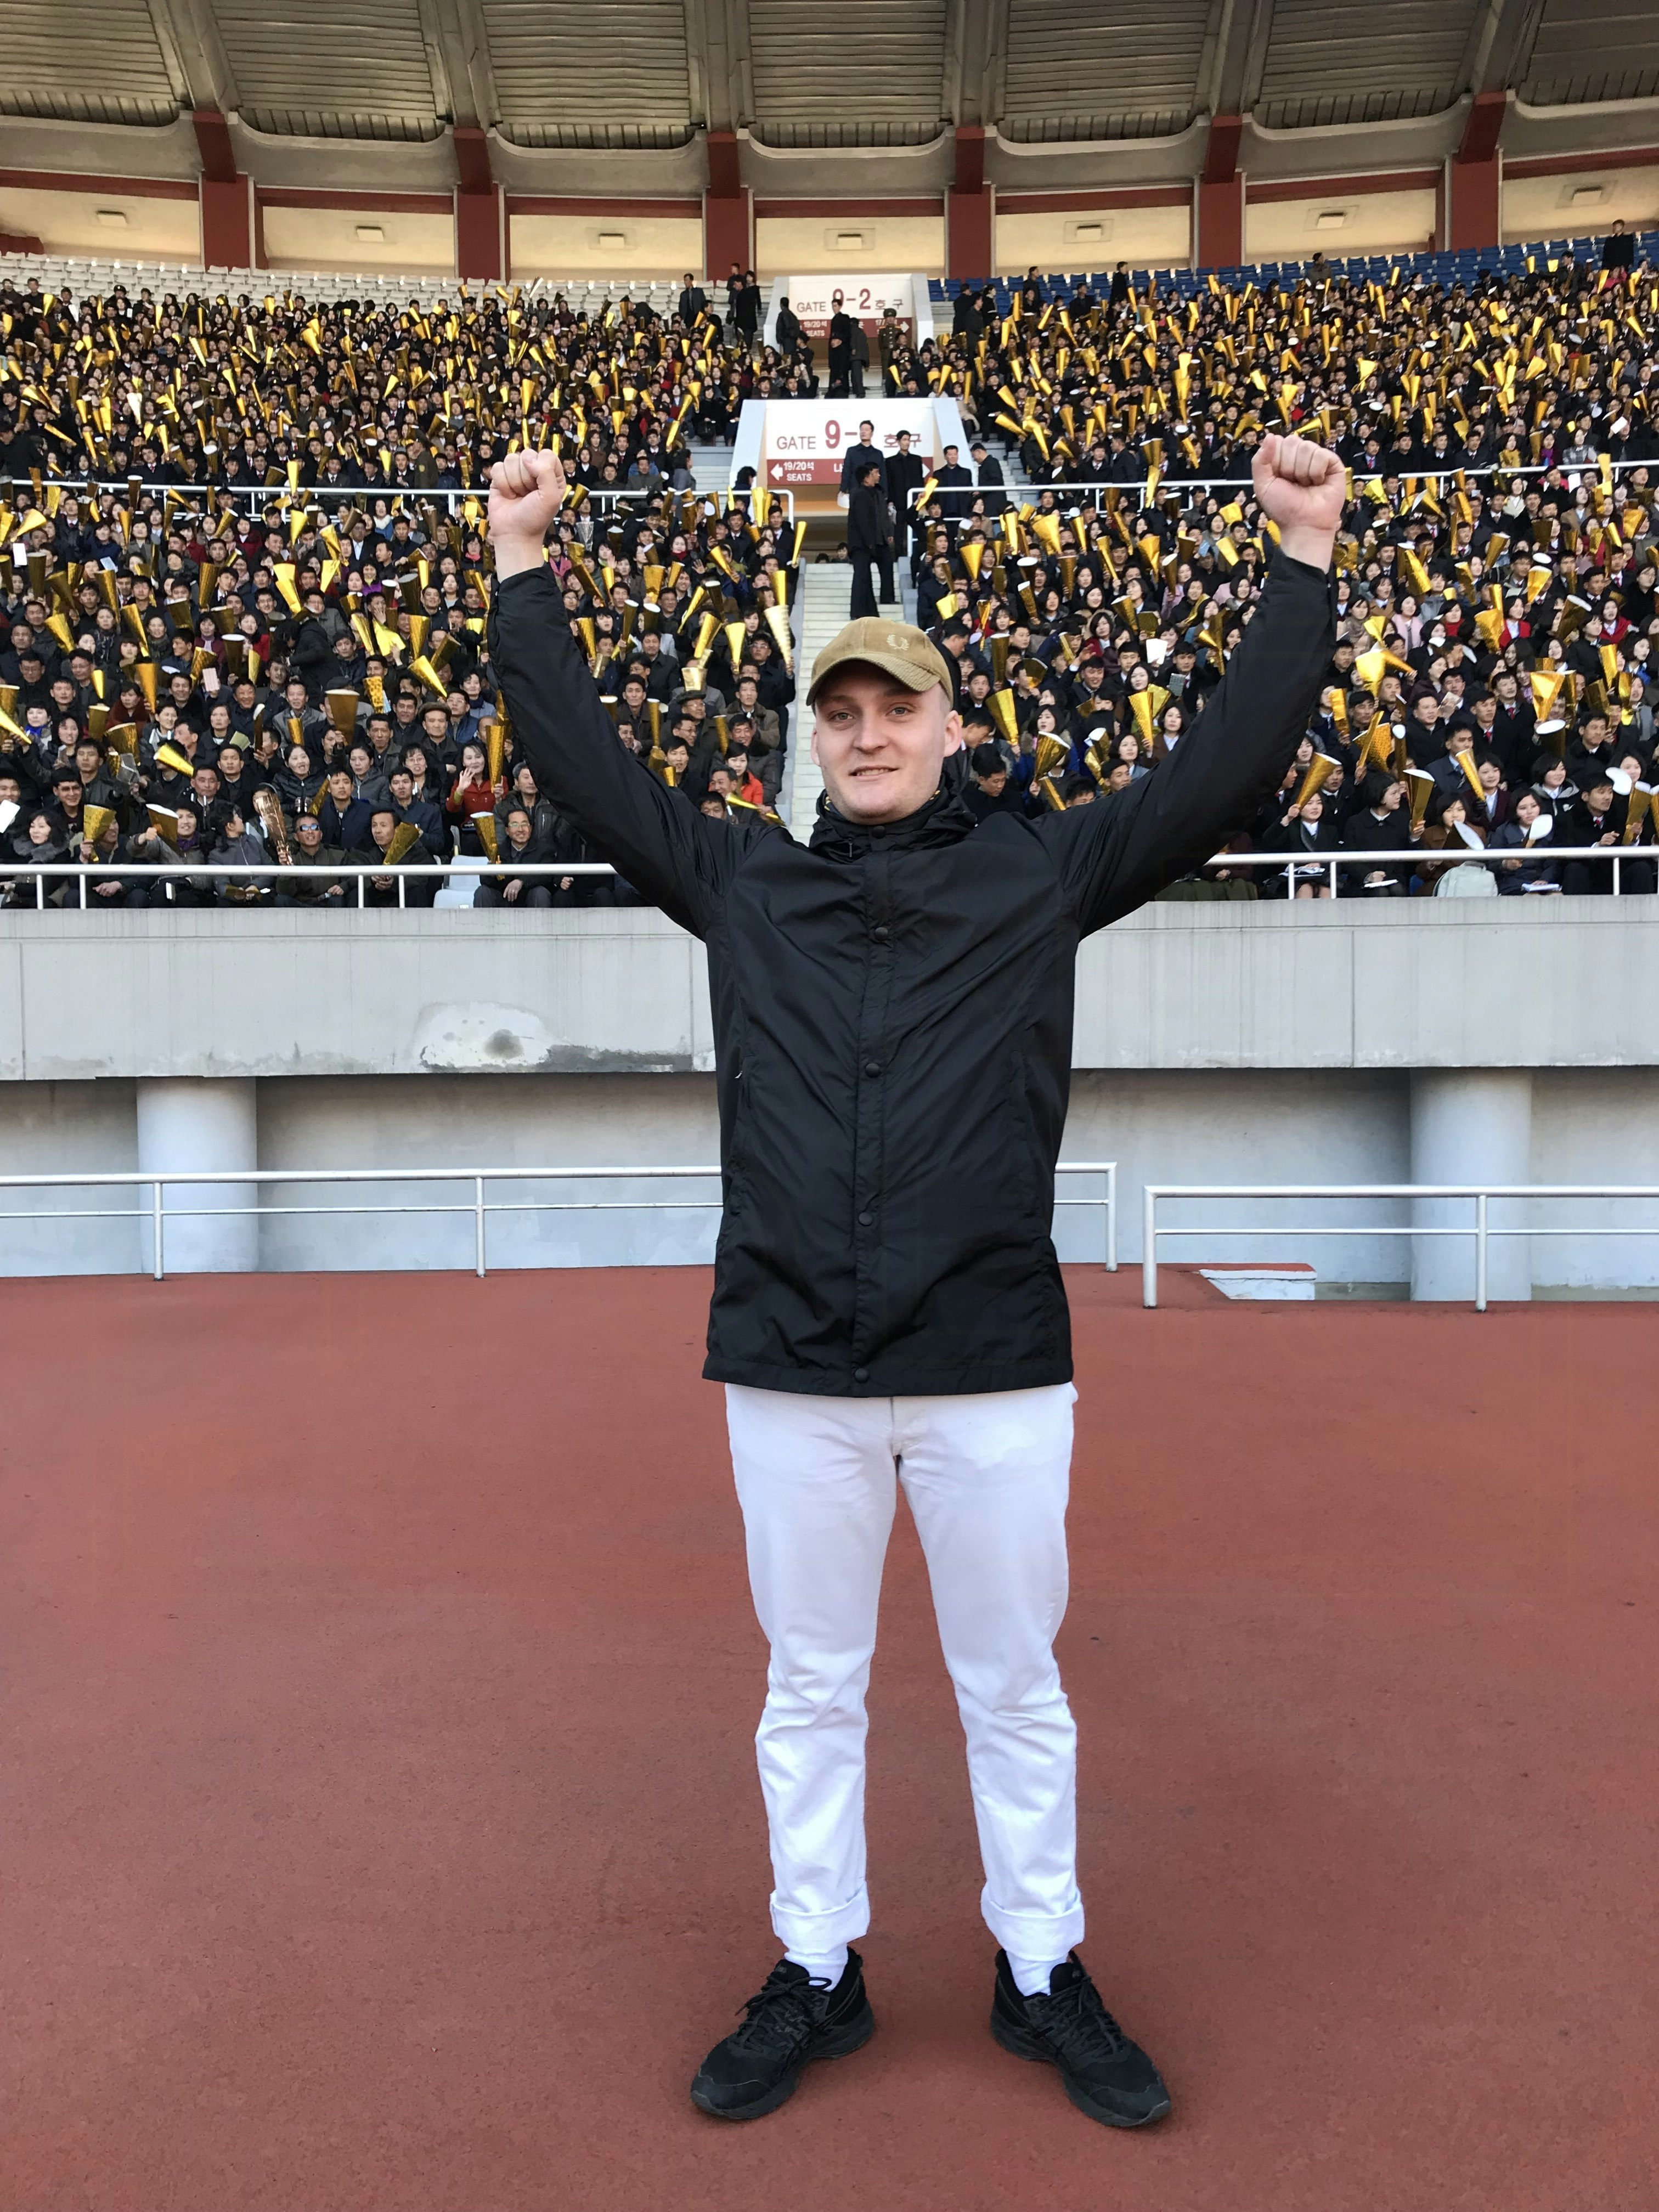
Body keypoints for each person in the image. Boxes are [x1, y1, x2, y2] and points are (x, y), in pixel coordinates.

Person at [487, 430, 1341, 2131]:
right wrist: (522, 568)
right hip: (791, 1364)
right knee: (810, 1689)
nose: (870, 734)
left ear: (953, 727)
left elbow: (1227, 766)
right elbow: (581, 768)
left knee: (1013, 1687)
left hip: (992, 1363)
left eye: (899, 709)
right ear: (814, 740)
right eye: (843, 714)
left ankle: (1041, 1966)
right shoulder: (745, 882)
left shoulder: (1039, 872)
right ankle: (819, 1966)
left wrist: (1304, 557)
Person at [846, 461, 895, 620]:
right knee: (862, 578)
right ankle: (858, 611)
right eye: (876, 473)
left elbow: (884, 517)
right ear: (867, 477)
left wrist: (886, 533)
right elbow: (863, 522)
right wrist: (870, 543)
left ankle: (870, 611)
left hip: (873, 542)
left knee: (868, 577)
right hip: (861, 545)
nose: (879, 476)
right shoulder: (860, 494)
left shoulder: (877, 493)